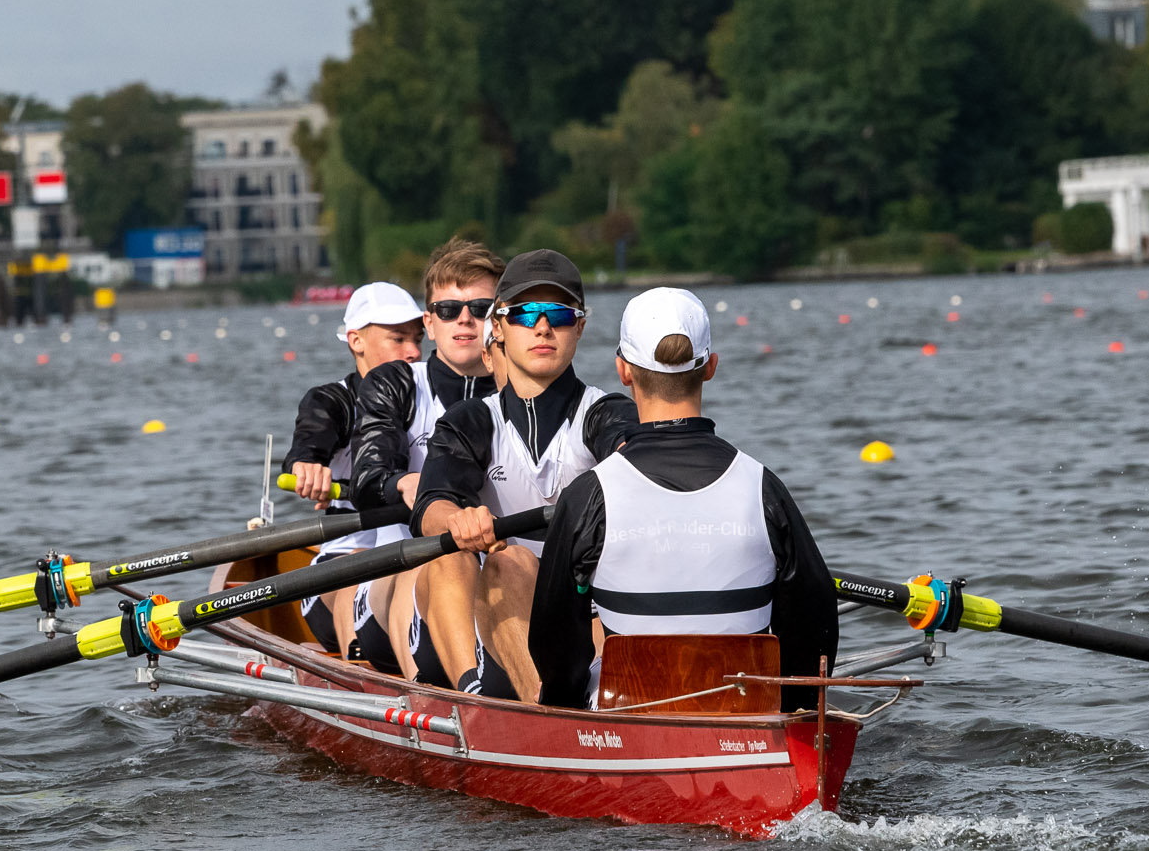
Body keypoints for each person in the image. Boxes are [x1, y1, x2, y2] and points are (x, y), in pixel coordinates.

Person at [522, 287, 838, 710]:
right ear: (710, 367)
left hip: (627, 715)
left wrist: (562, 711)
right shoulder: (763, 486)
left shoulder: (588, 496)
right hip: (747, 717)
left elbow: (554, 642)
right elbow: (816, 624)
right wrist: (794, 710)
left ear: (623, 371)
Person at [412, 250, 635, 700]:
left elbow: (632, 452)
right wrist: (456, 519)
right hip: (500, 628)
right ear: (498, 328)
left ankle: (580, 708)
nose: (543, 327)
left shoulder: (607, 413)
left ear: (581, 327)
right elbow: (430, 504)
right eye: (525, 313)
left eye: (559, 314)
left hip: (583, 616)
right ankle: (517, 704)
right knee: (497, 561)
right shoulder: (470, 421)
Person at [347, 238, 503, 683]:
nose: (466, 320)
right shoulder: (395, 383)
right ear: (430, 324)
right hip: (397, 574)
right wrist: (405, 484)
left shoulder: (531, 395)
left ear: (502, 320)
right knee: (435, 559)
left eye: (480, 307)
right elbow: (366, 478)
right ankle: (444, 694)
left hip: (501, 573)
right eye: (450, 310)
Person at [286, 282, 423, 654]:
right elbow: (310, 439)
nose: (412, 352)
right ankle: (358, 670)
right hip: (342, 566)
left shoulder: (431, 397)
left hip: (417, 560)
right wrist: (309, 466)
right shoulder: (335, 401)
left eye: (417, 338)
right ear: (355, 341)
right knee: (362, 565)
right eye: (398, 338)